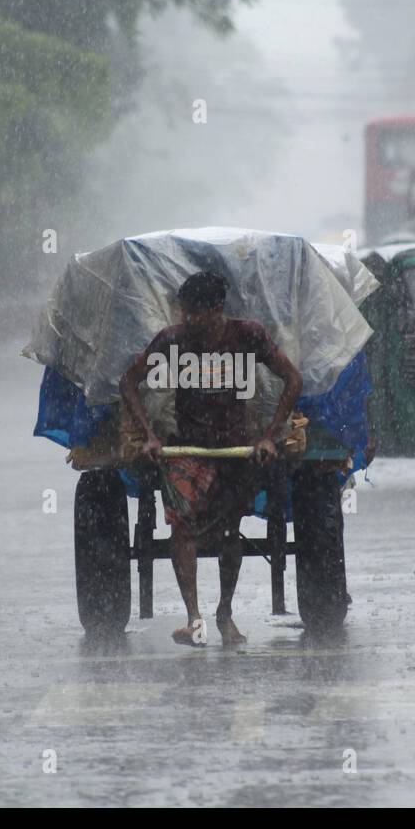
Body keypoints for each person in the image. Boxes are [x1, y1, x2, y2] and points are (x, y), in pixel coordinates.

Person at [119, 271, 303, 647]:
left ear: (217, 310)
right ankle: (194, 618)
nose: (189, 321)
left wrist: (269, 437)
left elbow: (292, 379)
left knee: (228, 533)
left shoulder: (248, 335)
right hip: (186, 451)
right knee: (182, 528)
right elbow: (129, 382)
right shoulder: (172, 339)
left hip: (234, 452)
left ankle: (224, 614)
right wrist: (150, 436)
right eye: (185, 313)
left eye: (196, 314)